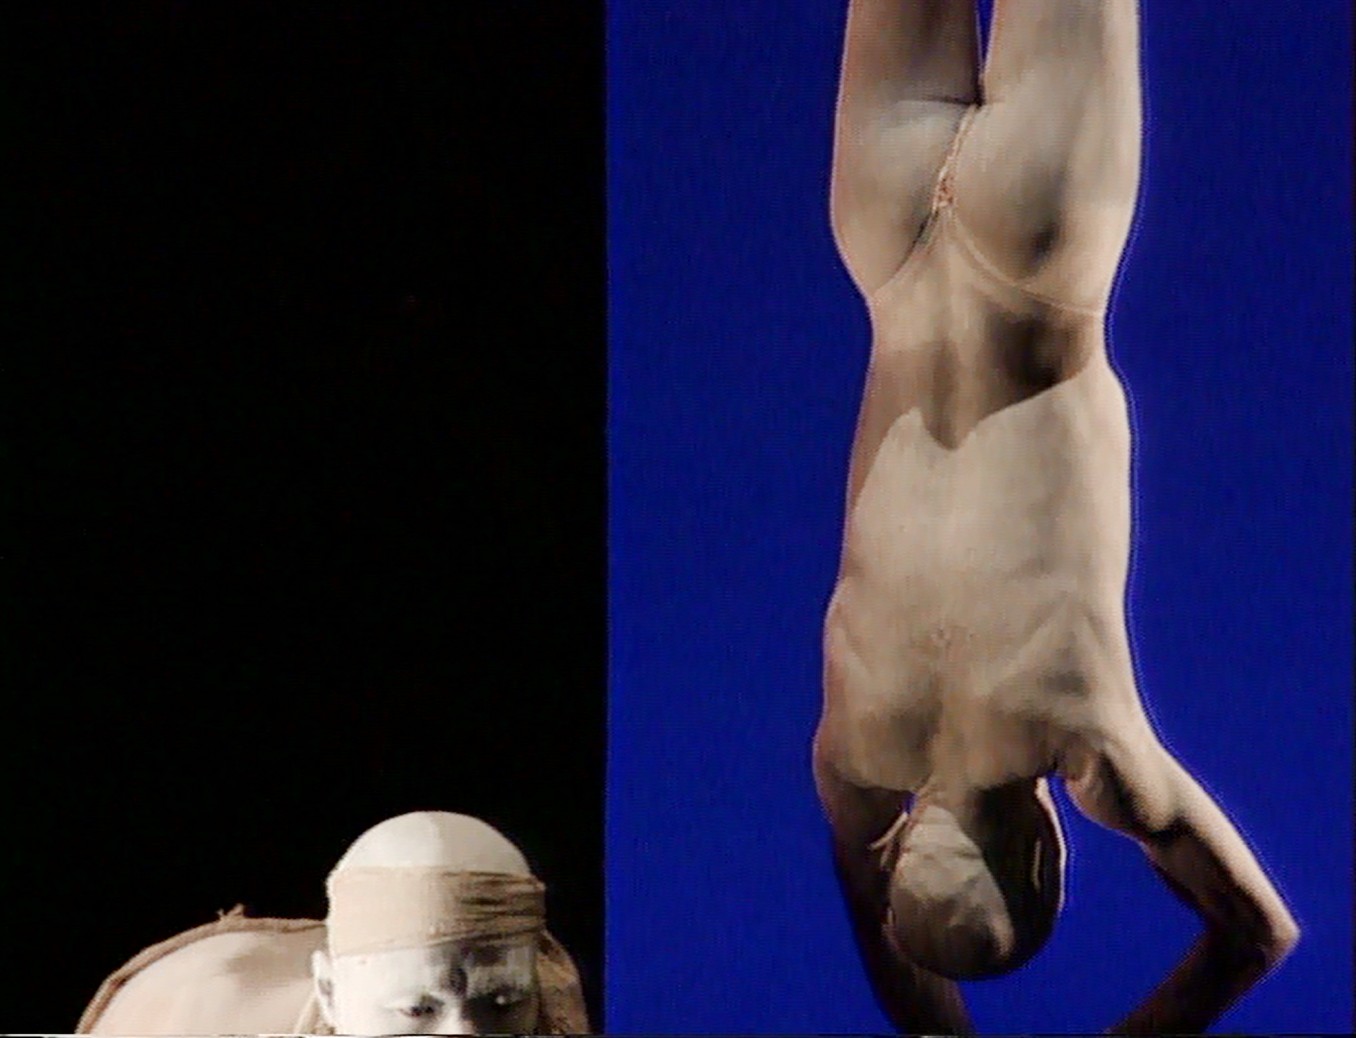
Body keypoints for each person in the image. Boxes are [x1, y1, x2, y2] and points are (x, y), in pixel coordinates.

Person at [811, 2, 1298, 1034]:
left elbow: (1257, 935)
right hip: (887, 243)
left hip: (1041, 258)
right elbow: (871, 904)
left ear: (1043, 858)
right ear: (898, 852)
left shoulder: (1089, 741)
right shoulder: (850, 752)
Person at [77, 811, 589, 1035]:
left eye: (502, 1003)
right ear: (328, 991)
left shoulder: (550, 1010)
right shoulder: (189, 1016)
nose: (464, 1032)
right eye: (417, 1010)